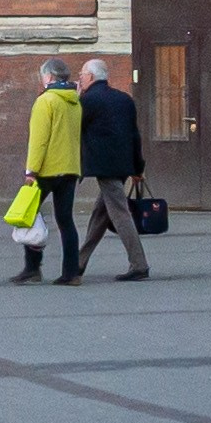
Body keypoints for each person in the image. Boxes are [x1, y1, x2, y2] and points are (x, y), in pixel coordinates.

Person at [74, 59, 149, 282]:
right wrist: (138, 167)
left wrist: (77, 100)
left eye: (82, 75)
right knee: (100, 213)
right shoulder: (124, 99)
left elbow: (74, 127)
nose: (80, 78)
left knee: (119, 212)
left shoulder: (88, 100)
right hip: (123, 165)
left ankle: (139, 264)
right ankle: (78, 263)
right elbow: (134, 135)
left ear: (90, 77)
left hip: (103, 165)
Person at [14, 57, 83, 286]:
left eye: (43, 75)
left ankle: (32, 268)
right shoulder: (75, 102)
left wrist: (31, 170)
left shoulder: (46, 101)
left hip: (47, 170)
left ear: (49, 76)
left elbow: (39, 140)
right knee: (66, 220)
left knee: (29, 214)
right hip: (70, 168)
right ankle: (71, 273)